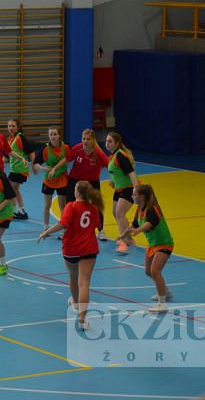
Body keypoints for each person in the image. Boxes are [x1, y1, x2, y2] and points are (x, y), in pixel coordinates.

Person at [38, 180, 103, 330]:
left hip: (72, 248)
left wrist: (46, 232)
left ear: (78, 192)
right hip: (89, 248)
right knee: (84, 283)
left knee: (73, 277)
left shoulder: (71, 206)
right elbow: (97, 225)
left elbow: (62, 224)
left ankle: (75, 303)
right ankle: (82, 320)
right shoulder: (94, 208)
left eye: (74, 188)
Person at [119, 184, 174, 313]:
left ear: (142, 197)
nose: (132, 196)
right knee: (148, 271)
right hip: (152, 244)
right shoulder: (139, 209)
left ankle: (162, 304)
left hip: (164, 243)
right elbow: (134, 224)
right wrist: (123, 234)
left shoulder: (153, 209)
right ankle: (165, 291)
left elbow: (149, 224)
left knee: (155, 271)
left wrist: (138, 231)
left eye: (134, 194)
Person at [66, 128, 109, 240]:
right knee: (70, 204)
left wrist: (114, 179)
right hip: (75, 179)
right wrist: (56, 170)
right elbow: (66, 160)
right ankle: (68, 229)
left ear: (93, 140)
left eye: (88, 139)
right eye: (84, 139)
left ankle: (101, 230)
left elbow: (109, 165)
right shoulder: (77, 149)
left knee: (97, 205)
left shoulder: (98, 152)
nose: (85, 141)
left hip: (92, 181)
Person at [105, 131, 138, 254]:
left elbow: (131, 173)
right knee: (115, 213)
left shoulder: (120, 155)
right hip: (119, 189)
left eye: (110, 141)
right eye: (106, 141)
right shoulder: (113, 155)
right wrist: (113, 181)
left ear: (117, 143)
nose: (107, 143)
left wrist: (136, 189)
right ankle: (129, 238)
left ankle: (123, 243)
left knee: (120, 213)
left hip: (128, 188)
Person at [33, 126, 70, 233]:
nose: (53, 136)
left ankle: (64, 228)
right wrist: (42, 168)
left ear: (59, 135)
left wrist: (55, 169)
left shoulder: (66, 147)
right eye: (51, 134)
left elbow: (67, 160)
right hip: (49, 179)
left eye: (55, 134)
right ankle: (45, 227)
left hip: (62, 178)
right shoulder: (45, 149)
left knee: (62, 205)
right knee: (47, 205)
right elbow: (35, 163)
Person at [6, 118, 37, 220]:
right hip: (14, 169)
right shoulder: (11, 138)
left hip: (20, 169)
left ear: (18, 127)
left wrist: (34, 165)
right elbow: (8, 155)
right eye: (9, 126)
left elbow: (31, 151)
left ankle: (11, 211)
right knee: (15, 190)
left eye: (13, 126)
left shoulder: (20, 137)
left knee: (9, 189)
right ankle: (22, 212)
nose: (11, 128)